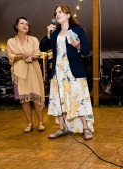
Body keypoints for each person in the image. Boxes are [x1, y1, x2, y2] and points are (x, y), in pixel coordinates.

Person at [39, 4, 94, 140]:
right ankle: (61, 128)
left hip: (74, 71)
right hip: (58, 72)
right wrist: (47, 35)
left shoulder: (77, 29)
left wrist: (78, 45)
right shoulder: (55, 32)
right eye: (55, 13)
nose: (57, 14)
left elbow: (86, 50)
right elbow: (42, 48)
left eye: (60, 12)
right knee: (59, 99)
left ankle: (85, 128)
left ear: (68, 15)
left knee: (78, 98)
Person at [6, 17, 45, 133]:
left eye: (27, 24)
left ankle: (41, 123)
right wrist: (24, 56)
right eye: (22, 23)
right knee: (24, 99)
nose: (25, 26)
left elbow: (37, 54)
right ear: (16, 26)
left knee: (36, 97)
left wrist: (26, 56)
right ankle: (29, 124)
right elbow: (10, 56)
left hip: (33, 71)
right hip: (19, 73)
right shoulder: (11, 42)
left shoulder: (33, 39)